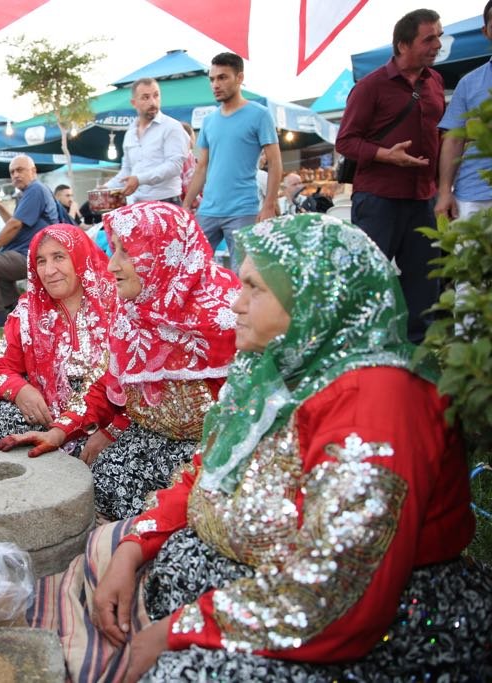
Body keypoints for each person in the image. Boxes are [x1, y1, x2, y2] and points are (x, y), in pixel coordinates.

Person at [75, 213, 491, 682]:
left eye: (256, 288)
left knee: (180, 671)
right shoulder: (278, 367)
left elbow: (337, 592)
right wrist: (135, 545)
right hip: (302, 578)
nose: (235, 302)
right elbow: (206, 471)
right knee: (170, 566)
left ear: (316, 298)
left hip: (391, 619)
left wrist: (175, 632)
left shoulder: (379, 402)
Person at [0, 202, 239, 520]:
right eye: (114, 251)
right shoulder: (134, 310)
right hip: (147, 440)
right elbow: (108, 383)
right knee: (99, 487)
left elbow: (246, 418)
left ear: (163, 255)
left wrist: (112, 431)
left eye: (127, 252)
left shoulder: (225, 318)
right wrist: (59, 431)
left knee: (194, 514)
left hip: (212, 451)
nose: (112, 266)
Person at [335, 9, 444, 343]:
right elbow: (346, 141)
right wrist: (387, 155)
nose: (437, 44)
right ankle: (365, 354)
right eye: (429, 38)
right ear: (402, 45)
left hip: (424, 199)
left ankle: (419, 363)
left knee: (425, 287)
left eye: (439, 35)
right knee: (368, 282)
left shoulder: (436, 82)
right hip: (378, 200)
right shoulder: (370, 87)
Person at [0, 224, 116, 442]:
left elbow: (136, 386)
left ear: (80, 257)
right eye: (41, 261)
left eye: (59, 257)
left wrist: (111, 430)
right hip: (46, 415)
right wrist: (21, 390)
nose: (49, 271)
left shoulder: (115, 305)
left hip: (101, 417)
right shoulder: (27, 313)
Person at [183, 52, 281, 256]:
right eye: (212, 79)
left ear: (240, 78)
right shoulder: (209, 121)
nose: (215, 84)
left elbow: (275, 162)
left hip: (243, 209)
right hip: (208, 210)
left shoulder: (260, 114)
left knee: (244, 274)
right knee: (192, 269)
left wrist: (269, 205)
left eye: (222, 77)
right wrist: (185, 206)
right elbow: (201, 167)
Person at [0, 154, 58, 330]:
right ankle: (14, 307)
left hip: (32, 254)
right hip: (30, 252)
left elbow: (14, 225)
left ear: (33, 171)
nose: (15, 175)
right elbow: (14, 220)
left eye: (20, 170)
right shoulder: (30, 192)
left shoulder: (35, 189)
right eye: (12, 172)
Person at [436, 1, 492, 221]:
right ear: (485, 31)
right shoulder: (469, 83)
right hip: (472, 195)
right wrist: (443, 193)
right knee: (468, 256)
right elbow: (452, 140)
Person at [103, 78, 189, 206]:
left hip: (166, 202)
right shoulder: (130, 132)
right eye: (145, 97)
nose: (152, 102)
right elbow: (127, 170)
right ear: (134, 103)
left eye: (156, 95)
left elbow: (175, 166)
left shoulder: (172, 126)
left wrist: (139, 179)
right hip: (137, 203)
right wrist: (106, 188)